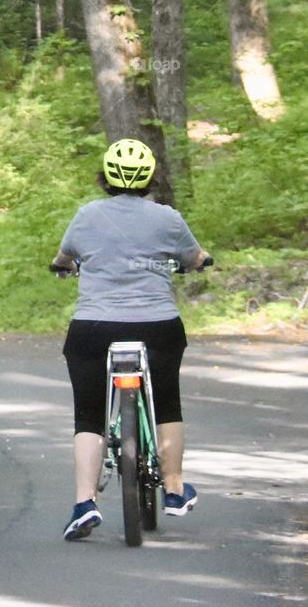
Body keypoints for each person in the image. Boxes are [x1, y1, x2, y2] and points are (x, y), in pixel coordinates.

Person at [51, 137, 210, 541]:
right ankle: (173, 489)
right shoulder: (168, 219)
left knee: (88, 415)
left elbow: (65, 256)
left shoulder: (86, 216)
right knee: (167, 403)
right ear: (150, 178)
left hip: (93, 329)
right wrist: (201, 263)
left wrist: (62, 266)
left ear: (105, 177)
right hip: (157, 327)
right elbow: (195, 258)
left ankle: (85, 502)